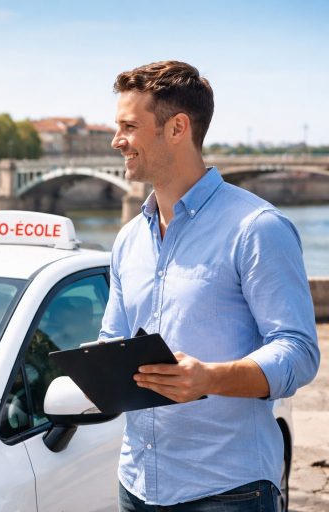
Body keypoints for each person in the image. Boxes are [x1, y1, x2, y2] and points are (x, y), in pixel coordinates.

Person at [100, 61, 319, 511]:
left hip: (227, 491)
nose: (116, 140)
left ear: (177, 127)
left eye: (128, 126)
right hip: (136, 484)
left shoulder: (257, 228)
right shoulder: (128, 239)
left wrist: (209, 378)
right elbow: (113, 341)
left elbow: (298, 352)